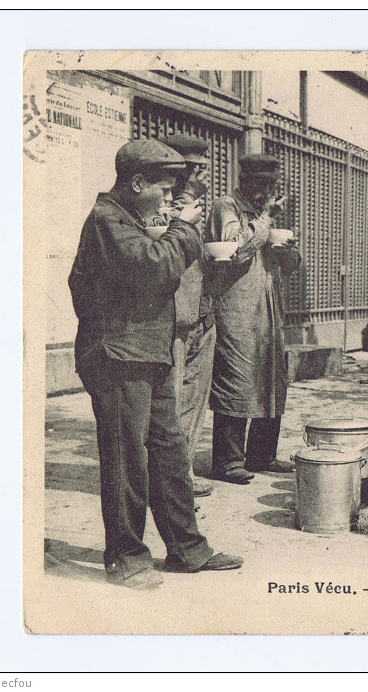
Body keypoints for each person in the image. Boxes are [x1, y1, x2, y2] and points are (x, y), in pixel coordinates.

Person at [68, 139, 243, 589]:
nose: (169, 200)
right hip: (118, 357)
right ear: (137, 182)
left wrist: (170, 225)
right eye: (164, 190)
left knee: (169, 453)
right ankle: (126, 558)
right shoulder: (107, 220)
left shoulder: (129, 218)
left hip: (149, 352)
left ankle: (187, 549)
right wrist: (184, 229)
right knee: (127, 460)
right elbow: (152, 267)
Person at [208, 154, 302, 484]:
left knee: (272, 378)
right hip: (236, 309)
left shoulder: (267, 214)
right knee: (237, 377)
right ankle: (227, 461)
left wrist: (288, 249)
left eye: (272, 185)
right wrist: (264, 219)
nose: (267, 191)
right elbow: (236, 251)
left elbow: (292, 267)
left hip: (269, 309)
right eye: (261, 185)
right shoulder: (226, 207)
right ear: (245, 181)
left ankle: (262, 455)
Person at [157, 135, 216, 499]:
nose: (199, 176)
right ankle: (169, 482)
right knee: (173, 402)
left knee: (194, 400)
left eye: (201, 169)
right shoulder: (161, 206)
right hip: (171, 318)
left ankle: (185, 474)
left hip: (197, 311)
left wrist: (206, 303)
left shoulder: (192, 206)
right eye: (192, 169)